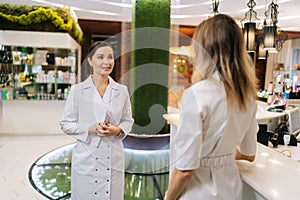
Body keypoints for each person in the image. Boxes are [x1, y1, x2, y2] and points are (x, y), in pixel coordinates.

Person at [164, 14, 258, 200]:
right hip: (231, 190)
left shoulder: (196, 94)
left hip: (199, 192)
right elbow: (249, 154)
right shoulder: (248, 96)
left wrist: (167, 198)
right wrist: (222, 155)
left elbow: (185, 169)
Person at [60, 41, 134, 200]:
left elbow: (128, 120)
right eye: (100, 57)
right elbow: (66, 124)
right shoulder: (78, 90)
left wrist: (117, 130)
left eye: (110, 57)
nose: (106, 62)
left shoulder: (121, 91)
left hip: (113, 156)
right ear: (90, 60)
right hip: (87, 158)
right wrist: (89, 129)